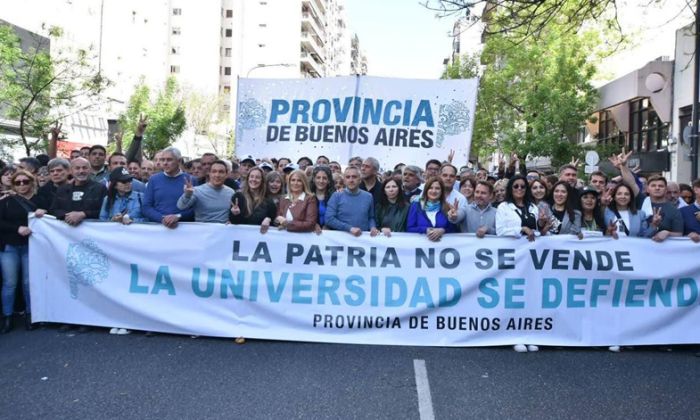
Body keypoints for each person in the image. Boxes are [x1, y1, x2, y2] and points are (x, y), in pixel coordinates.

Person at [0, 171, 40, 332]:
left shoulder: (38, 201)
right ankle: (7, 316)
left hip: (31, 247)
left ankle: (31, 315)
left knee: (28, 282)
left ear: (32, 182)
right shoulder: (5, 202)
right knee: (10, 283)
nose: (22, 185)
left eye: (25, 181)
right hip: (9, 247)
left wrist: (42, 214)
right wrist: (17, 228)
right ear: (13, 184)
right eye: (18, 182)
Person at [142, 147, 196, 229]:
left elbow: (197, 208)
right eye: (162, 160)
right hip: (158, 227)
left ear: (179, 161)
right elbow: (146, 207)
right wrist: (162, 218)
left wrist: (178, 216)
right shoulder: (154, 179)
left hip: (184, 228)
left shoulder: (191, 180)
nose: (165, 163)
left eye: (169, 160)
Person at [49, 157, 107, 226]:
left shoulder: (100, 188)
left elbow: (105, 211)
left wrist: (84, 214)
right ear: (71, 171)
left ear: (90, 170)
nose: (81, 171)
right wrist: (68, 216)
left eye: (84, 168)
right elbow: (53, 210)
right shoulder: (62, 190)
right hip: (65, 233)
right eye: (77, 168)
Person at [325, 166, 378, 237]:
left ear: (360, 179)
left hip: (363, 240)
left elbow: (371, 217)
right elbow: (329, 219)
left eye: (354, 177)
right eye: (348, 177)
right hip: (341, 240)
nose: (351, 180)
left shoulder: (368, 196)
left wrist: (373, 227)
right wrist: (349, 228)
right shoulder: (336, 196)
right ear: (344, 180)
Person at [406, 177, 457, 241]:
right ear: (426, 190)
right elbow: (409, 228)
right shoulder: (416, 205)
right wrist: (425, 230)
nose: (434, 191)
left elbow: (453, 230)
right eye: (430, 188)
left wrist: (443, 230)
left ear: (442, 191)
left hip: (442, 248)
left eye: (437, 188)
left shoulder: (447, 206)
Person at [229, 166, 276, 232]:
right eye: (251, 176)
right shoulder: (238, 197)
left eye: (257, 177)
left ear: (262, 181)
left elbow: (273, 224)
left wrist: (269, 219)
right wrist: (235, 214)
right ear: (248, 179)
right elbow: (233, 223)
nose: (254, 179)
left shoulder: (268, 201)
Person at [643, 175, 684, 242]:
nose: (657, 188)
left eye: (661, 186)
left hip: (664, 250)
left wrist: (667, 233)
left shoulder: (674, 210)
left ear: (666, 190)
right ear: (647, 189)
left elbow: (679, 234)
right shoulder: (640, 203)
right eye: (653, 186)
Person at [311, 165, 334, 233]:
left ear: (329, 180)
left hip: (330, 234)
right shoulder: (307, 196)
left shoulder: (334, 197)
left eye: (324, 178)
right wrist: (313, 224)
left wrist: (328, 226)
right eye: (318, 177)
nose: (321, 181)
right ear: (313, 179)